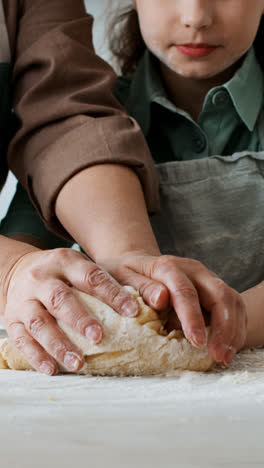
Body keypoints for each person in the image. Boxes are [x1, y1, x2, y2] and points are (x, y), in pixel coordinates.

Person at [2, 0, 256, 372]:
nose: (196, 17)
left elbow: (62, 118)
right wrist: (13, 274)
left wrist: (128, 255)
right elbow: (30, 242)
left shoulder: (92, 120)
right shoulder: (122, 104)